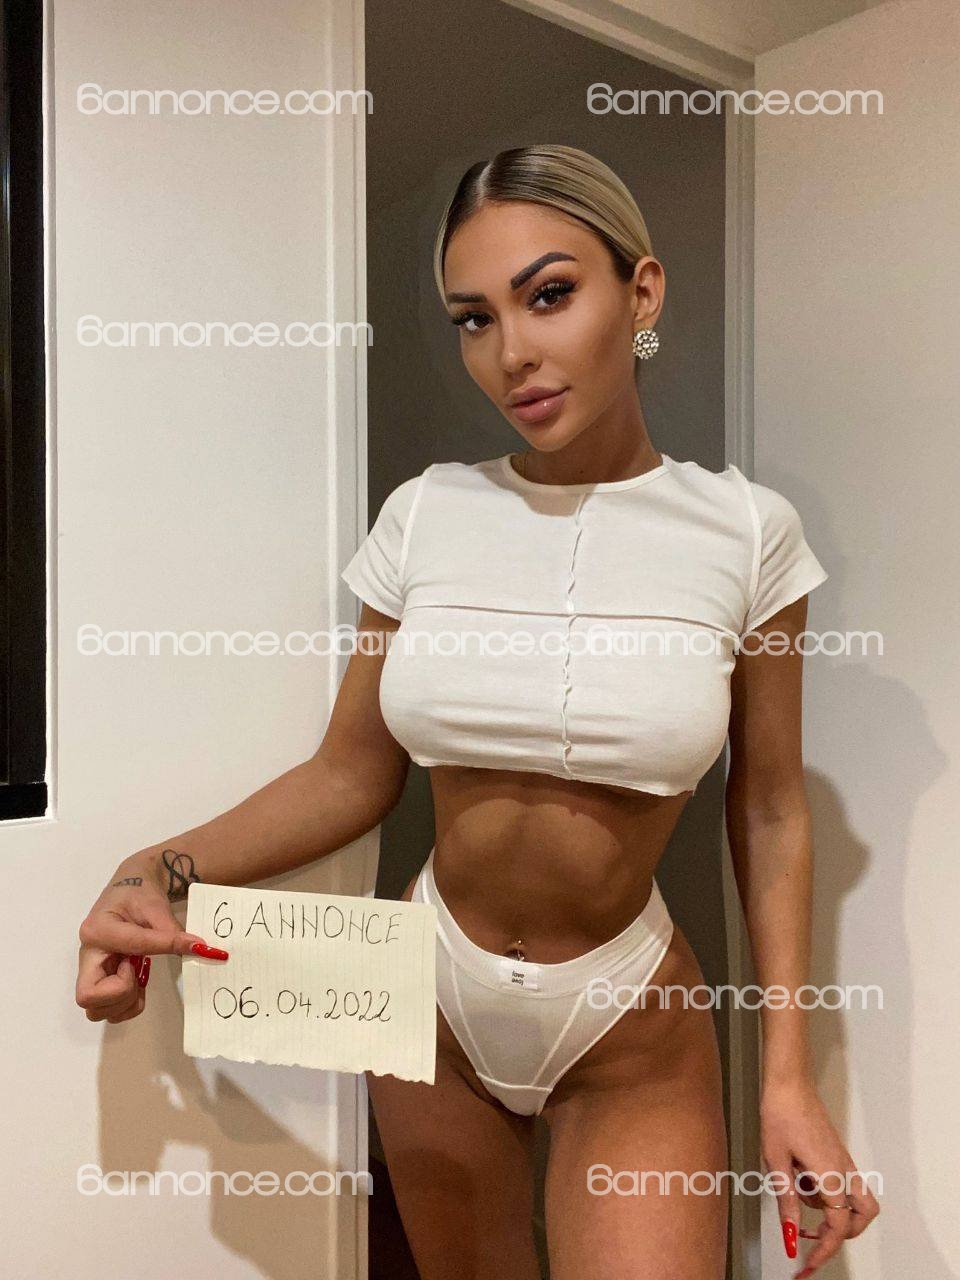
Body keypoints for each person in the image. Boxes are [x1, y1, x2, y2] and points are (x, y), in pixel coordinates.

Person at [75, 144, 878, 1279]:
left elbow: (774, 809)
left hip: (626, 1025)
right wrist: (152, 869)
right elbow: (351, 772)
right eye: (474, 318)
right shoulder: (427, 514)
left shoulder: (749, 533)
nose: (511, 353)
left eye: (549, 295)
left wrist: (789, 1079)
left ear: (642, 291)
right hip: (430, 1000)